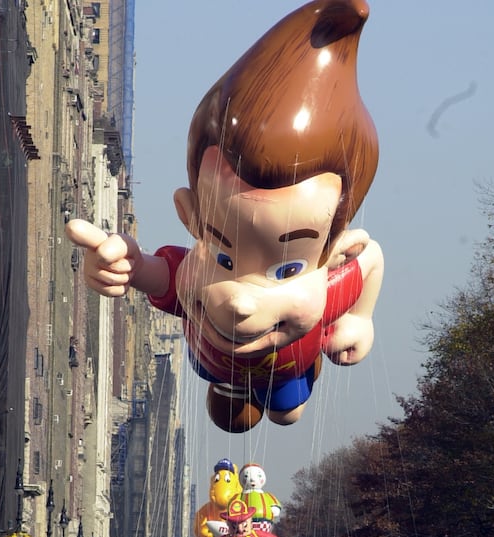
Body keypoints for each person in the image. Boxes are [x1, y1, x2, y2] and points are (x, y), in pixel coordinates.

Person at [66, 0, 384, 433]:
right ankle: (236, 392)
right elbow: (150, 271)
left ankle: (287, 387)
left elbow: (370, 260)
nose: (239, 302)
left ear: (334, 248)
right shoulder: (187, 279)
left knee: (287, 410)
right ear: (190, 216)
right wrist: (125, 265)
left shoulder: (333, 285)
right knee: (231, 416)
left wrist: (358, 318)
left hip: (289, 365)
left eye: (287, 269)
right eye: (223, 256)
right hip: (215, 366)